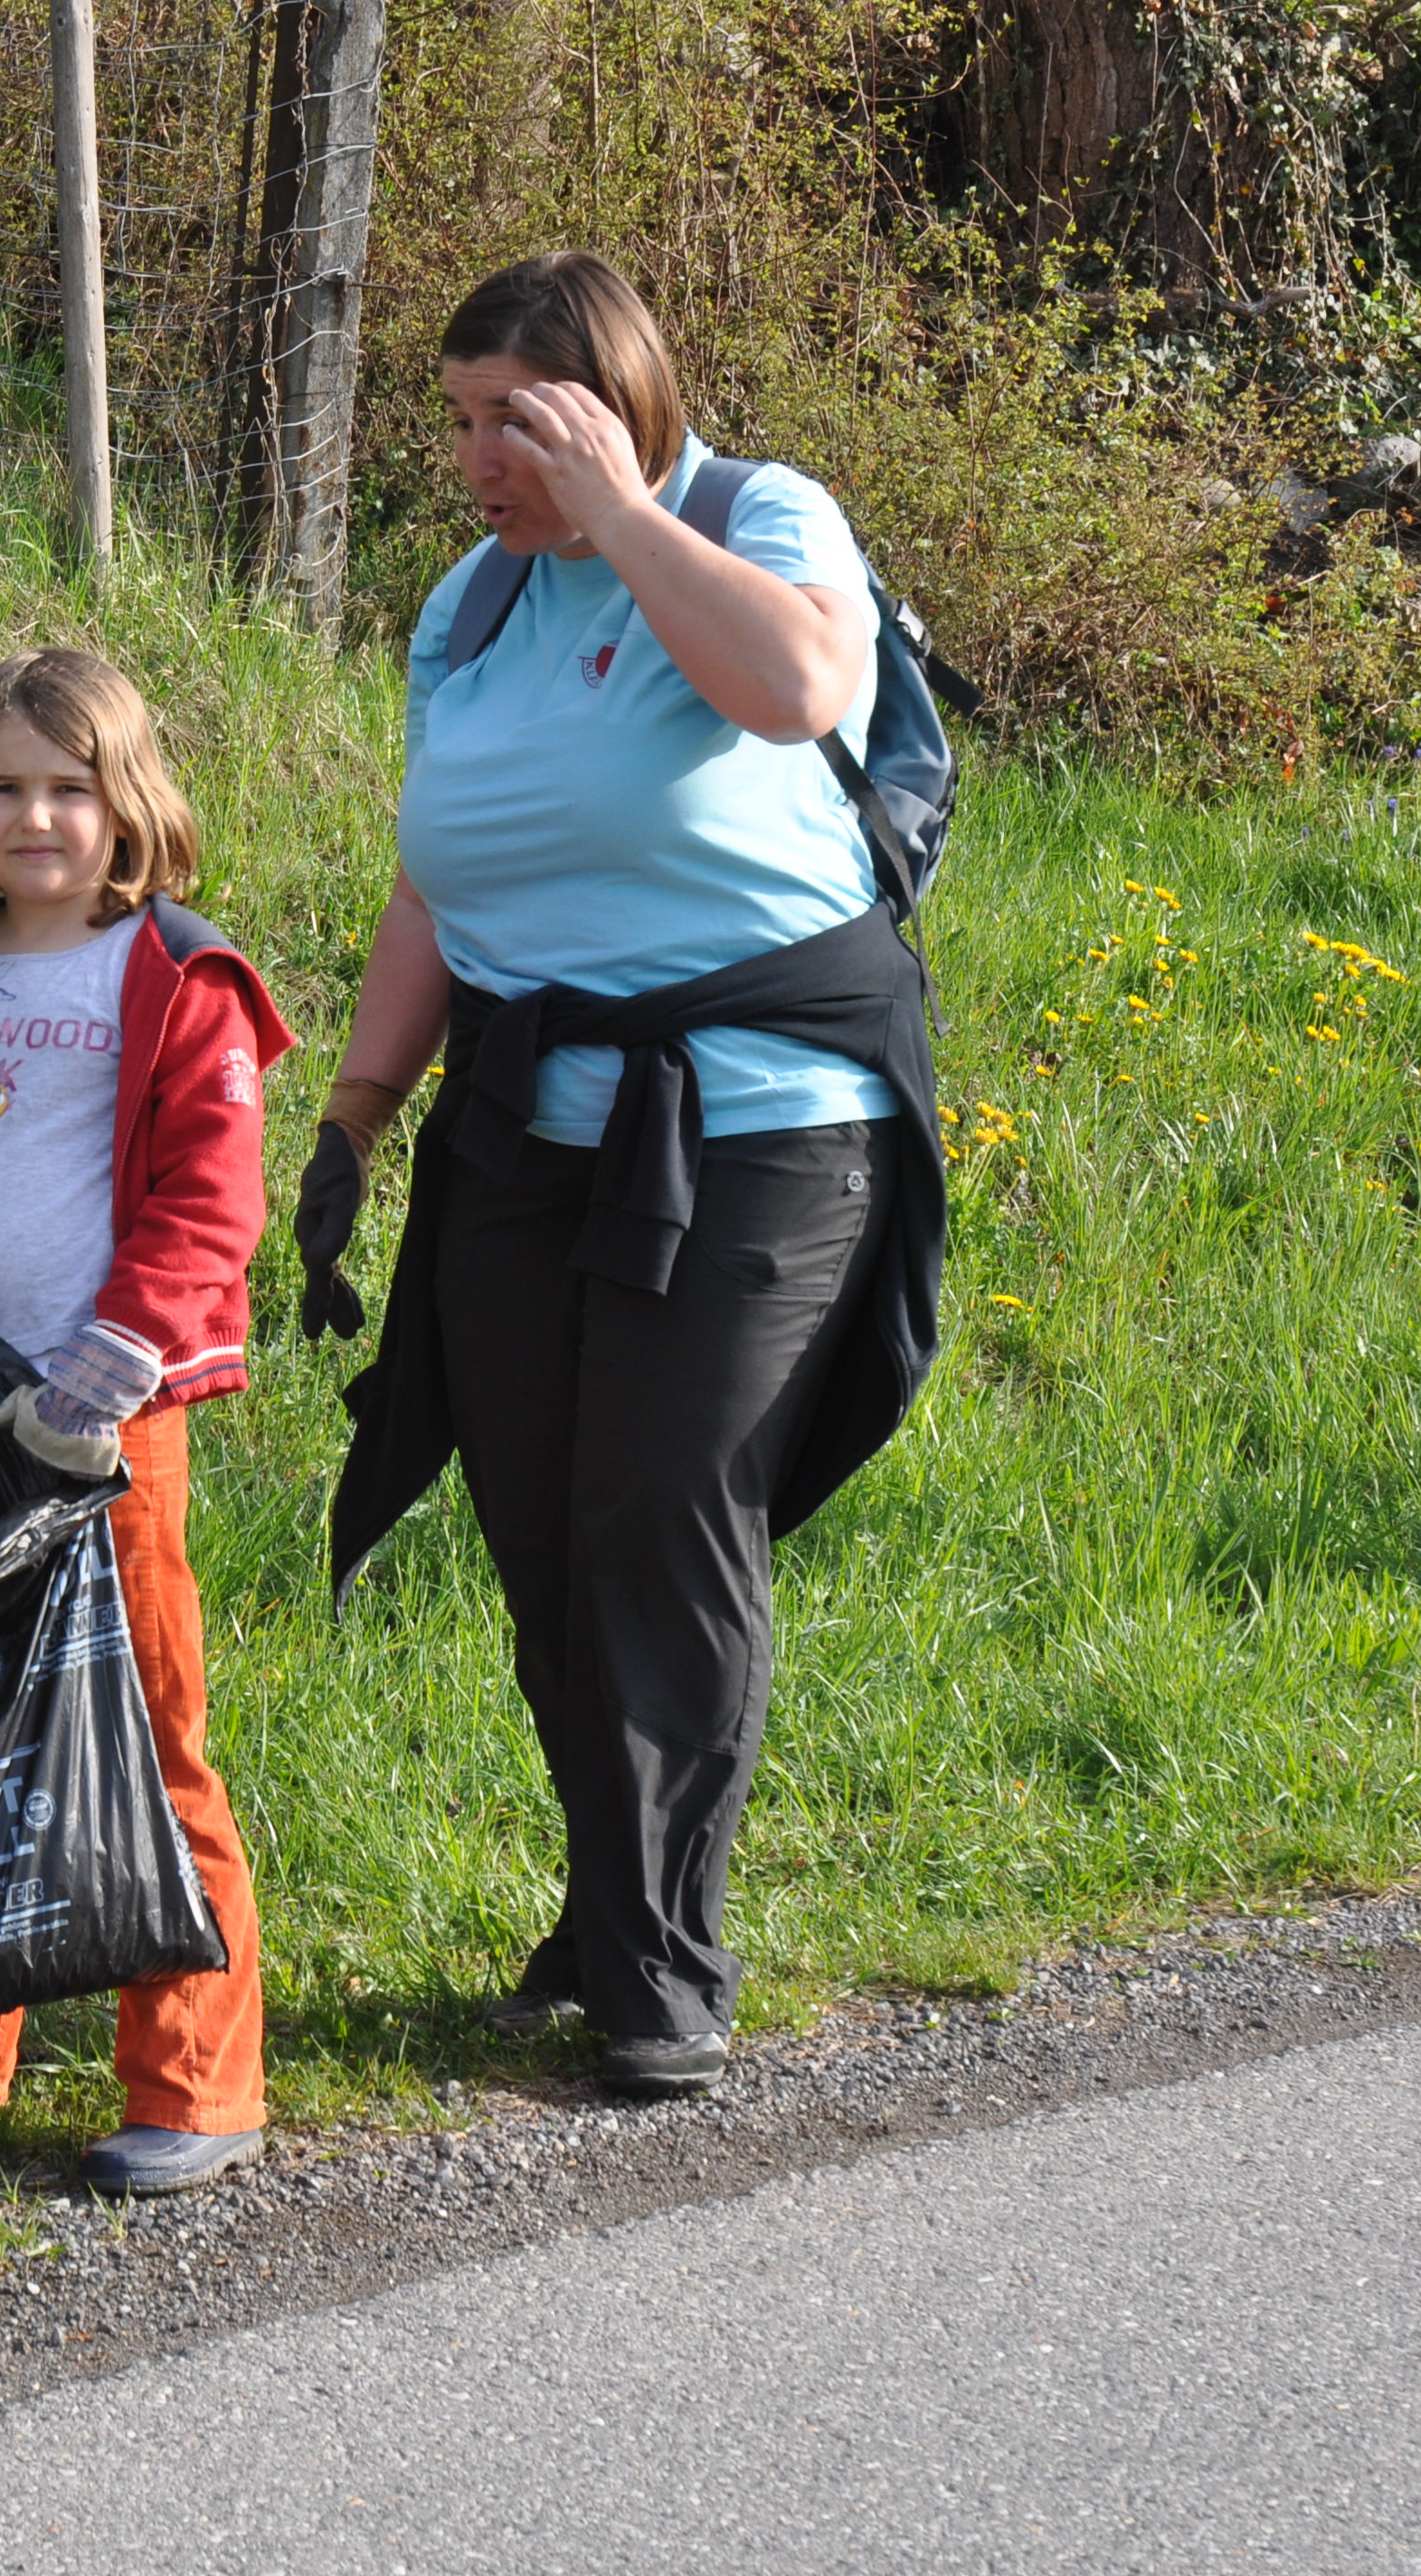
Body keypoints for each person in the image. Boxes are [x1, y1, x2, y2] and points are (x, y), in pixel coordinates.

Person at [298, 253, 944, 2098]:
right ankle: (607, 1903)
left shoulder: (752, 516)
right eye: (457, 421)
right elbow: (434, 879)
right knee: (537, 1516)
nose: (473, 461)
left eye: (511, 419)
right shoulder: (471, 602)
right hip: (525, 1119)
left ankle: (661, 1952)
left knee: (660, 1509)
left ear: (605, 402)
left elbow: (793, 683)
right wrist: (353, 1113)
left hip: (763, 1115)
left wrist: (621, 514)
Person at [0, 649, 295, 2197]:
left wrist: (115, 1358)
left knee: (144, 1740)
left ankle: (198, 2084)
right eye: (4, 788)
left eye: (68, 788)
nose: (34, 817)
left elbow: (210, 1196)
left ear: (127, 798)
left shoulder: (179, 975)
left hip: (102, 1424)